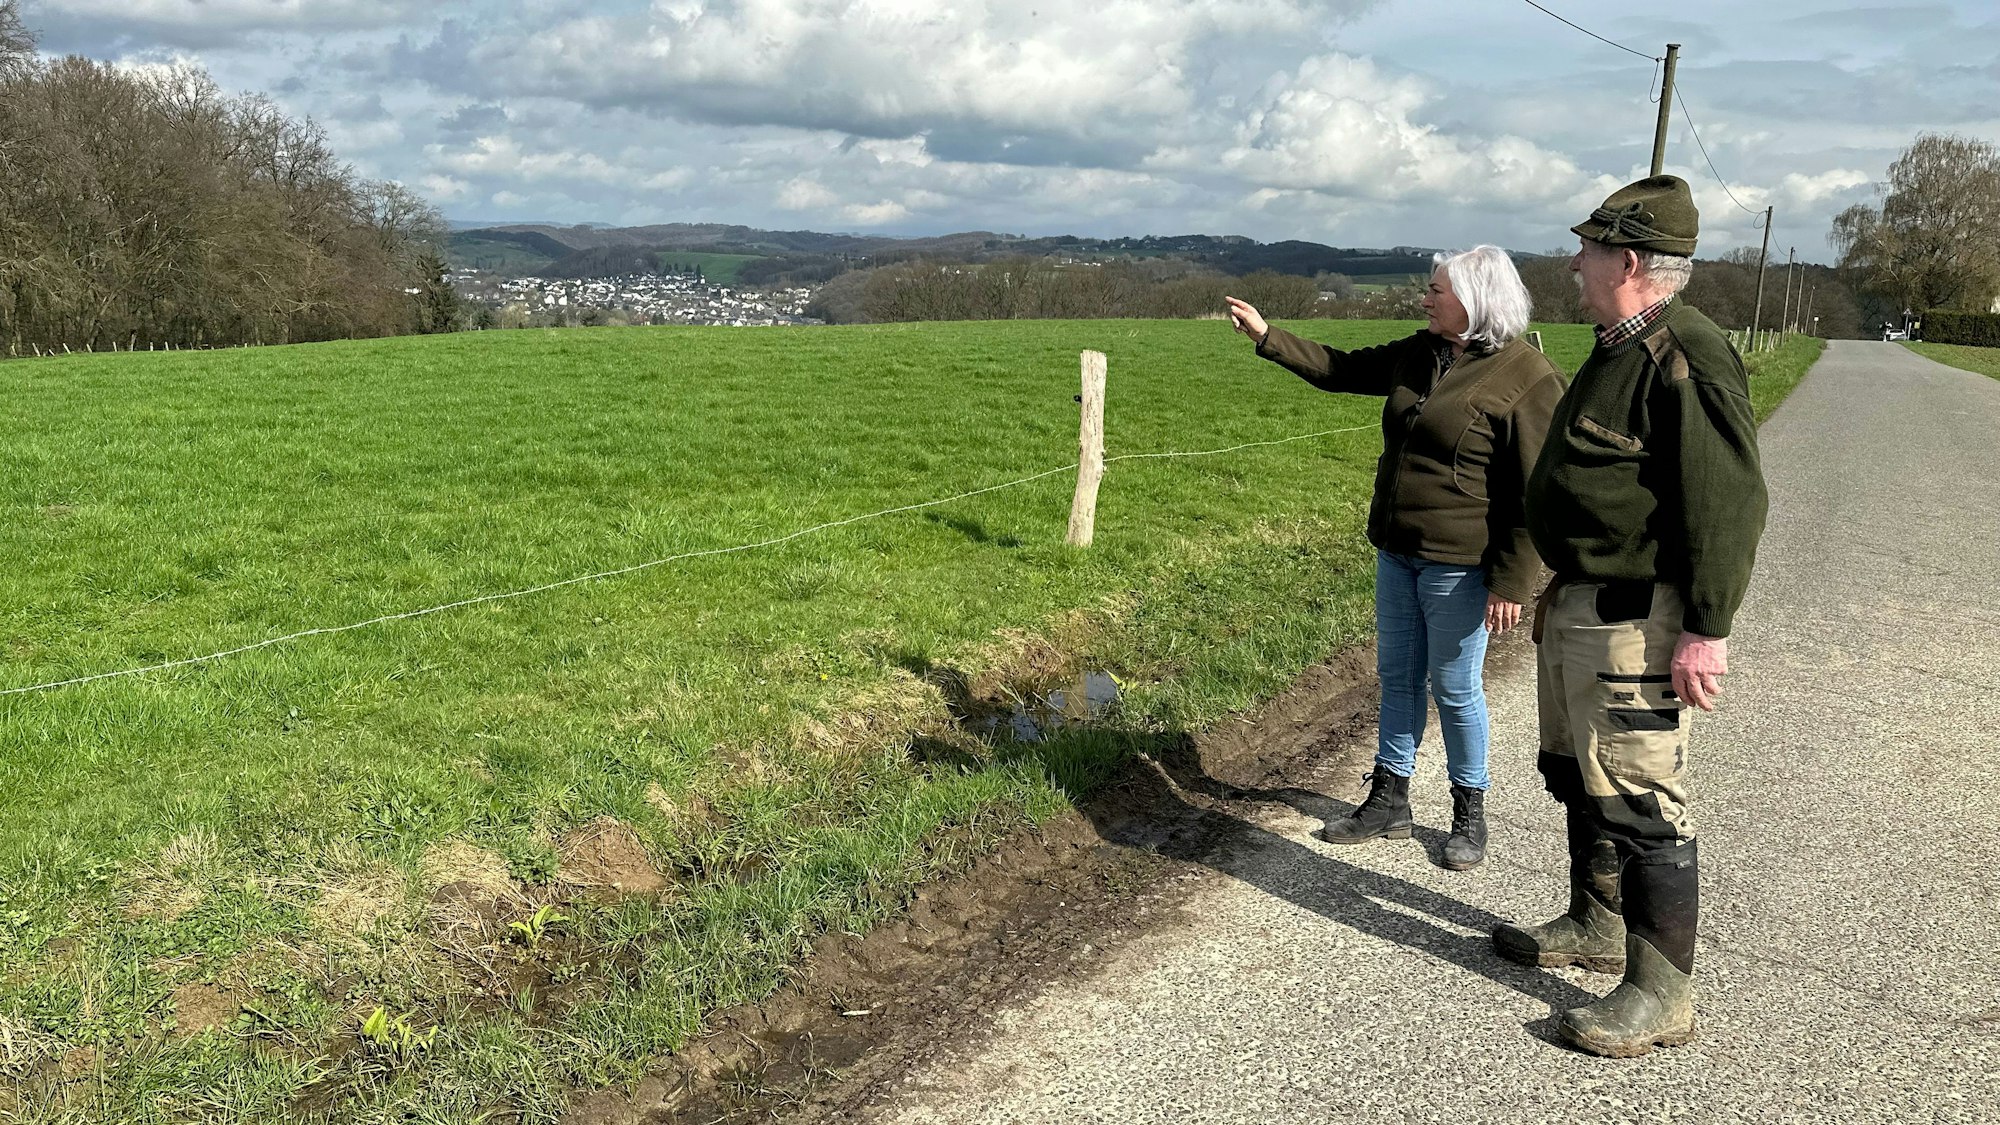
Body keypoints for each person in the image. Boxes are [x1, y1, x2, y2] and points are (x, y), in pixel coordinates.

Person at [1490, 175, 1768, 1058]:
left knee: (1642, 795)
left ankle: (1662, 992)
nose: (1575, 261)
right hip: (1579, 604)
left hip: (1637, 618)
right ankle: (1597, 922)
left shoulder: (1683, 351)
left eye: (1589, 248)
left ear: (1632, 261)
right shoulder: (1619, 344)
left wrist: (1708, 627)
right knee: (1579, 774)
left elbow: (1729, 500)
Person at [1227, 246, 1563, 870]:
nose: (1425, 298)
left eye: (1436, 289)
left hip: (1460, 563)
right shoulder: (1420, 353)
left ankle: (1470, 809)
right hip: (1398, 551)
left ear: (1475, 297)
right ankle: (1389, 797)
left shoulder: (1528, 377)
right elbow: (1341, 368)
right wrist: (1270, 335)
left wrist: (1513, 582)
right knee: (1398, 675)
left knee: (1455, 688)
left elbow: (1534, 491)